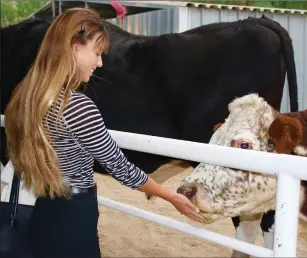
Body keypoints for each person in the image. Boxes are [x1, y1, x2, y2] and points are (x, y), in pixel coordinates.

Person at [4, 7, 205, 258]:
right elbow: (121, 168)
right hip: (73, 216)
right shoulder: (77, 106)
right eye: (97, 53)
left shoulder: (25, 98)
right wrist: (171, 197)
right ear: (74, 47)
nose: (99, 64)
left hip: (43, 207)